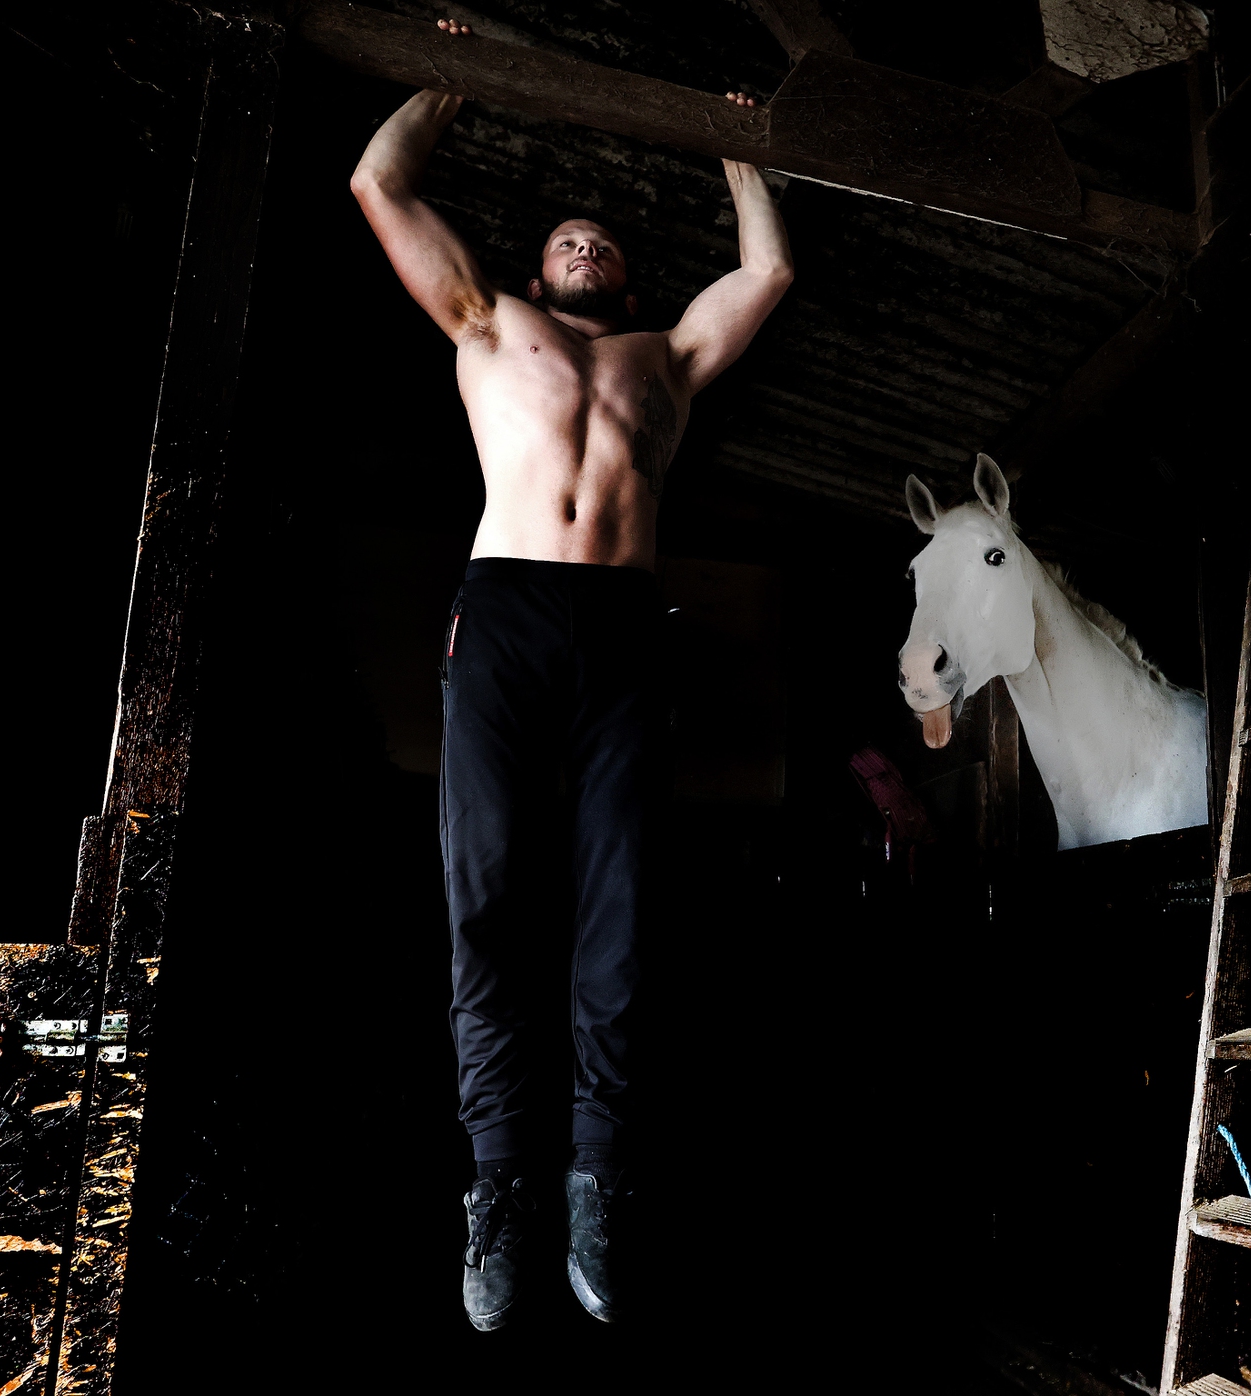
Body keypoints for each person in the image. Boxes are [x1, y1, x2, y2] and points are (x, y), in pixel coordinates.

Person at [349, 23, 794, 1331]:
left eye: (604, 241)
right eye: (566, 238)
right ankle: (497, 1188)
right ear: (536, 262)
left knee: (625, 914)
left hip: (626, 623)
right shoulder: (487, 321)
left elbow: (765, 267)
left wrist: (735, 145)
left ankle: (598, 1180)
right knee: (484, 892)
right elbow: (380, 187)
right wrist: (460, 80)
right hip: (504, 614)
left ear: (631, 270)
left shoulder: (669, 361)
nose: (585, 246)